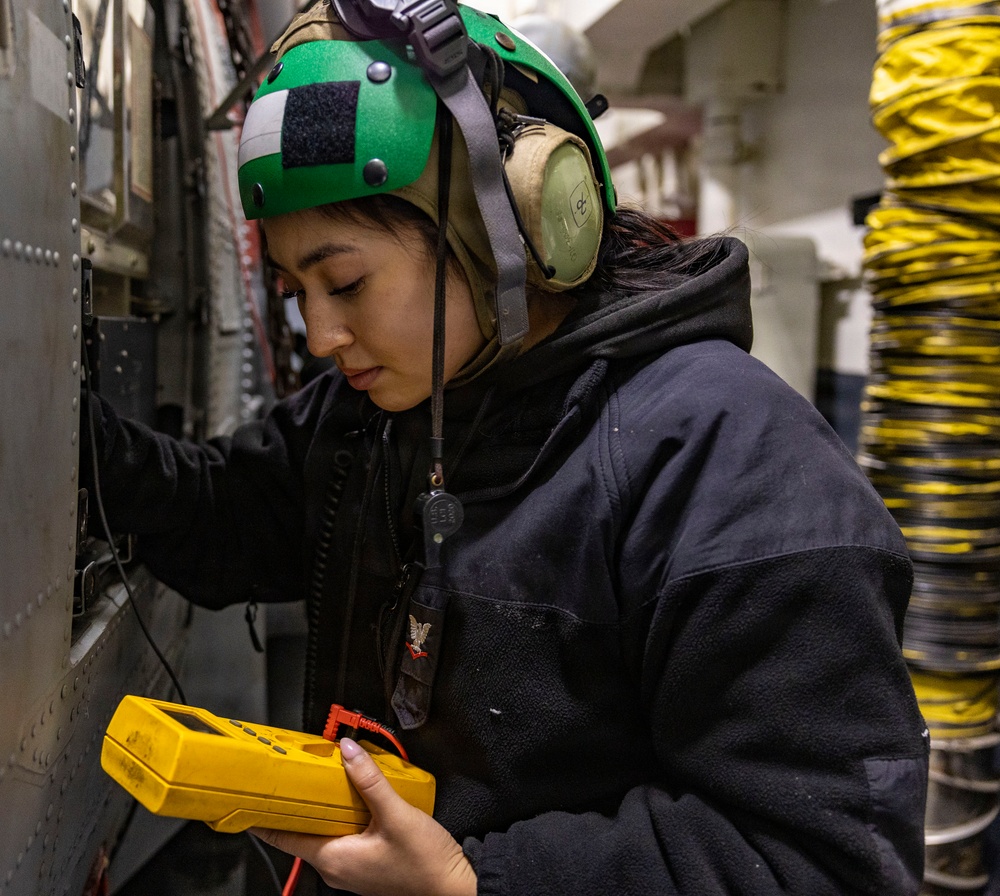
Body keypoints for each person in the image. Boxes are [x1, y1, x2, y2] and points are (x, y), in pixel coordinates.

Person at [82, 1, 929, 894]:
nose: (321, 332)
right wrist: (71, 437)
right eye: (296, 290)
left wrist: (469, 883)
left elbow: (818, 862)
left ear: (510, 231)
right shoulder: (387, 410)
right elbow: (226, 518)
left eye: (346, 281)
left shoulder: (732, 466)